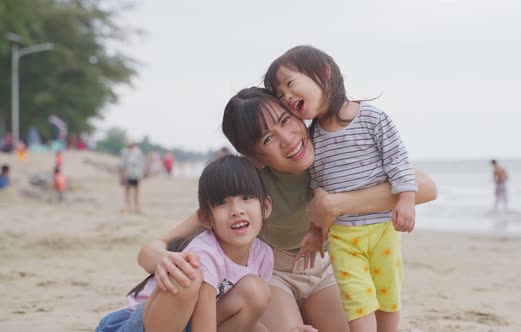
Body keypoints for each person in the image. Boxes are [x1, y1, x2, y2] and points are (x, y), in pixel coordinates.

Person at [138, 87, 437, 332]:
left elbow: (425, 187)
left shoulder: (334, 152)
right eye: (268, 138)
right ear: (254, 156)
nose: (288, 140)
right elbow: (153, 249)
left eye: (285, 121)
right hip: (272, 274)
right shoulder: (251, 187)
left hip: (324, 269)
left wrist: (334, 203)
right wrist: (163, 259)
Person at [264, 45, 416, 332]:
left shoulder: (372, 118)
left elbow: (398, 161)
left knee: (388, 296)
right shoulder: (313, 138)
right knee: (356, 301)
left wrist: (406, 199)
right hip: (343, 238)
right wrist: (316, 231)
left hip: (383, 229)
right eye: (280, 93)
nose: (285, 96)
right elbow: (319, 191)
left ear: (324, 73)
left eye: (291, 84)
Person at [96, 155, 274, 332]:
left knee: (257, 291)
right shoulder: (205, 253)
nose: (237, 211)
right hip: (139, 325)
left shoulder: (263, 255)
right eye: (222, 203)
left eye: (247, 197)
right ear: (205, 218)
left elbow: (251, 320)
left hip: (189, 324)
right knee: (188, 274)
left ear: (265, 207)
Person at [120, 139, 145, 213]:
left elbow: (141, 163)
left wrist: (141, 173)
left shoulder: (138, 152)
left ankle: (137, 207)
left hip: (136, 173)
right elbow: (123, 164)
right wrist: (122, 174)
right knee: (127, 190)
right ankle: (127, 206)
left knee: (137, 190)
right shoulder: (124, 152)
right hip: (128, 173)